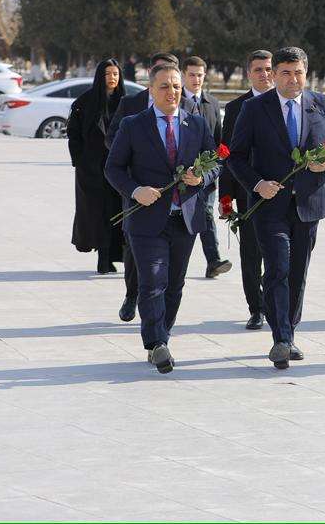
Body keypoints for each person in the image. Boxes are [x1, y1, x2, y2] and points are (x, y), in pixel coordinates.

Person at [226, 46, 325, 369]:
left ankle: (290, 332)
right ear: (274, 75)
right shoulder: (255, 109)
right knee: (277, 269)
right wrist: (258, 184)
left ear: (306, 73)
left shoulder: (322, 104)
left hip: (308, 205)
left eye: (298, 72)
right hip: (268, 205)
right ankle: (281, 338)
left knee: (298, 273)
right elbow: (236, 157)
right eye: (285, 73)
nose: (292, 79)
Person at [104, 63, 220, 373]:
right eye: (165, 86)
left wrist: (202, 178)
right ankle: (156, 343)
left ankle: (162, 337)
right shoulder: (133, 125)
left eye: (176, 87)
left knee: (174, 284)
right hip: (146, 219)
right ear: (151, 89)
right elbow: (113, 168)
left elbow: (214, 164)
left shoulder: (196, 124)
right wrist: (135, 190)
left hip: (185, 219)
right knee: (152, 280)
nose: (172, 92)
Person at [106, 51, 182, 323]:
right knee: (137, 257)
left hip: (178, 204)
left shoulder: (186, 111)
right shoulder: (131, 105)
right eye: (162, 81)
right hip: (139, 193)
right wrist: (134, 182)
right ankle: (132, 295)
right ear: (151, 79)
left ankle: (161, 329)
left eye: (174, 82)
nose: (170, 89)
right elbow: (113, 142)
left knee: (171, 279)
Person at [219, 50, 273, 330]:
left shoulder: (287, 102)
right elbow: (228, 155)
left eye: (269, 69)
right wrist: (225, 198)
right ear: (249, 73)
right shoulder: (236, 108)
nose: (265, 74)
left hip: (282, 190)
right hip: (248, 192)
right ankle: (256, 308)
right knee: (251, 253)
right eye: (258, 70)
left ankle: (274, 302)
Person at [66, 58, 127, 274]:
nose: (112, 78)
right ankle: (103, 259)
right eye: (107, 74)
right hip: (92, 170)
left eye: (115, 74)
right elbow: (73, 134)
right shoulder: (85, 102)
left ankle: (115, 257)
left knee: (118, 212)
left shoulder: (125, 103)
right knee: (97, 214)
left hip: (119, 168)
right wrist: (80, 161)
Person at [182, 56, 231, 279]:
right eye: (192, 74)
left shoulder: (212, 103)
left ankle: (213, 261)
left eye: (200, 75)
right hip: (181, 175)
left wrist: (214, 167)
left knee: (207, 213)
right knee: (187, 219)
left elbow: (219, 141)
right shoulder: (176, 102)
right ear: (184, 75)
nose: (196, 79)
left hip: (207, 175)